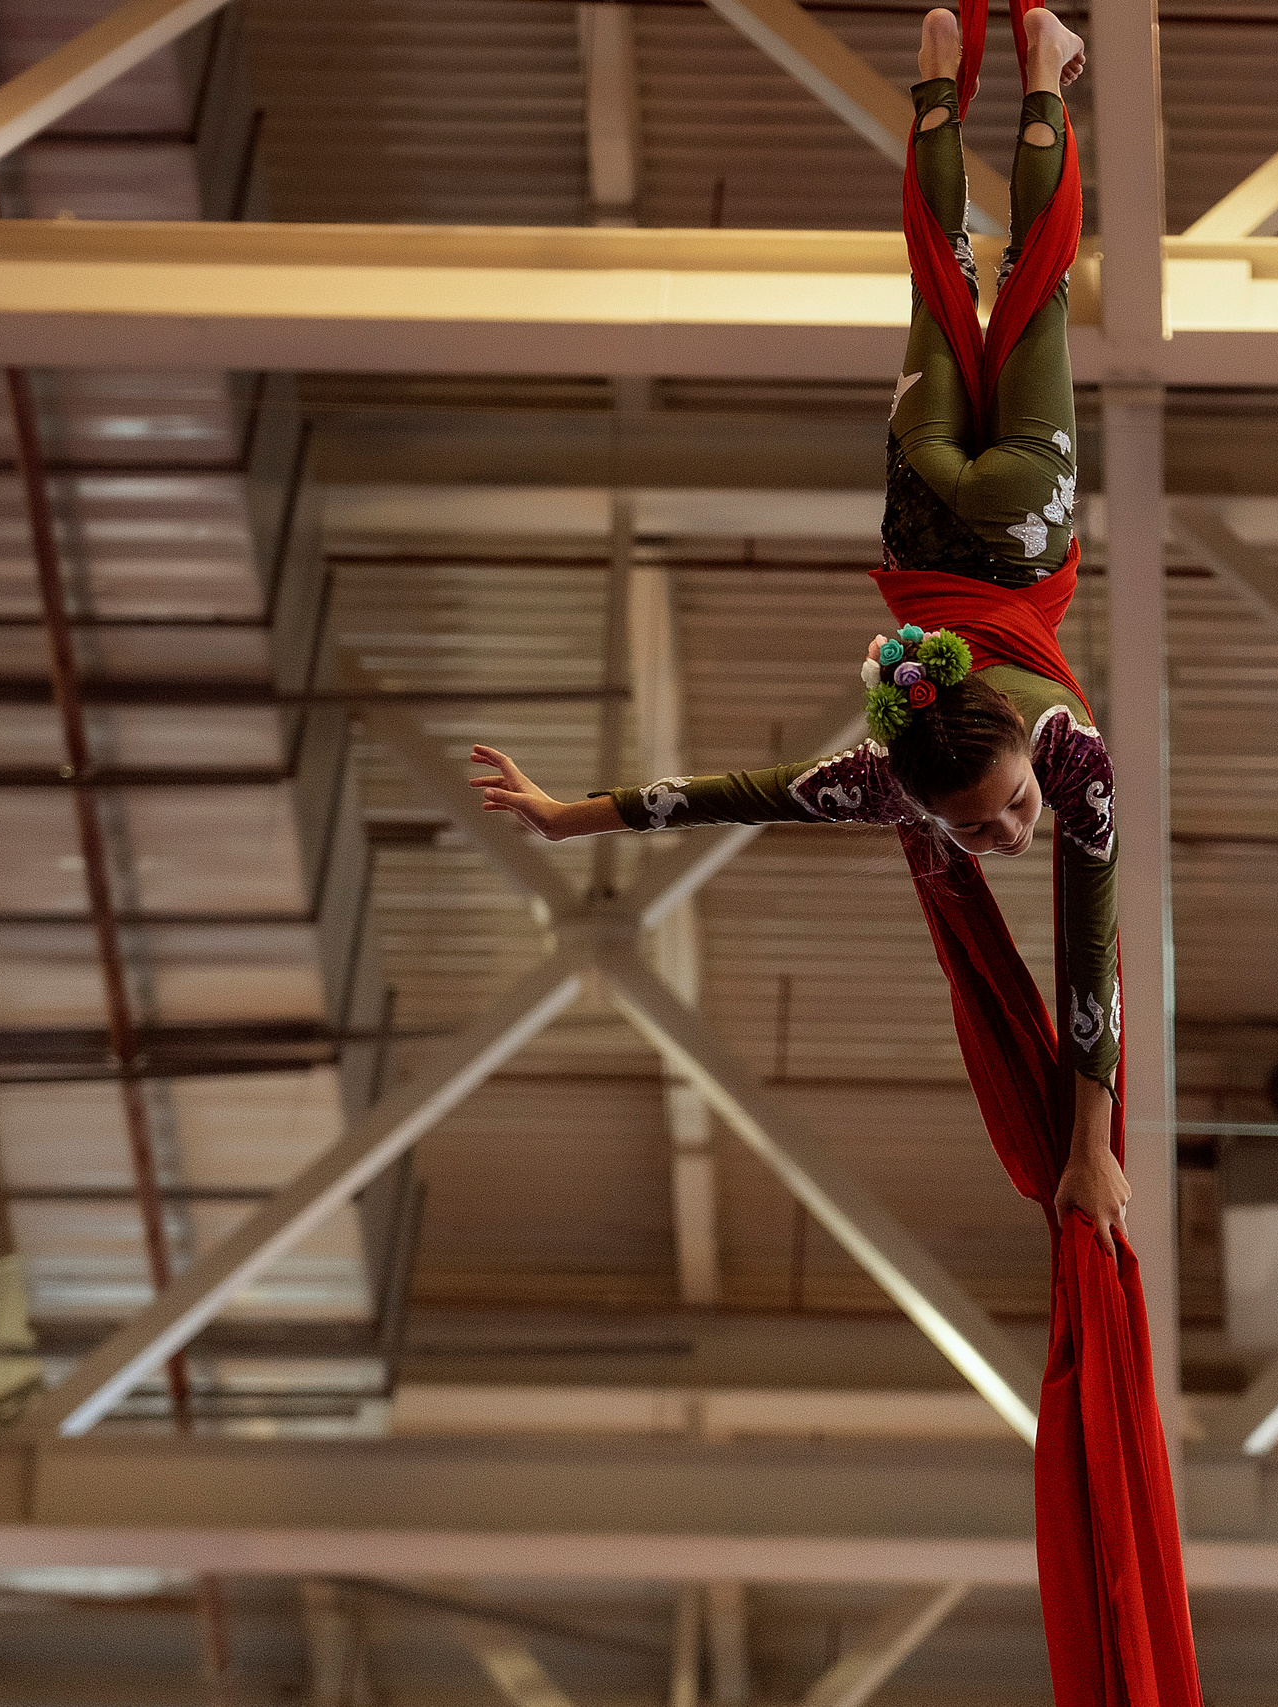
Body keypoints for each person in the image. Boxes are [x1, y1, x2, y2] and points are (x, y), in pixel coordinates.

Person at [466, 6, 1135, 1248]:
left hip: (1024, 518)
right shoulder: (886, 775)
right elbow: (723, 794)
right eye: (999, 821)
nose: (1009, 829)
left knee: (1033, 294)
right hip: (918, 506)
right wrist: (574, 816)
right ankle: (943, 77)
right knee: (942, 281)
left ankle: (1043, 78)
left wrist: (1089, 1156)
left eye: (1000, 810)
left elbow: (1091, 975)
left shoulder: (1067, 765)